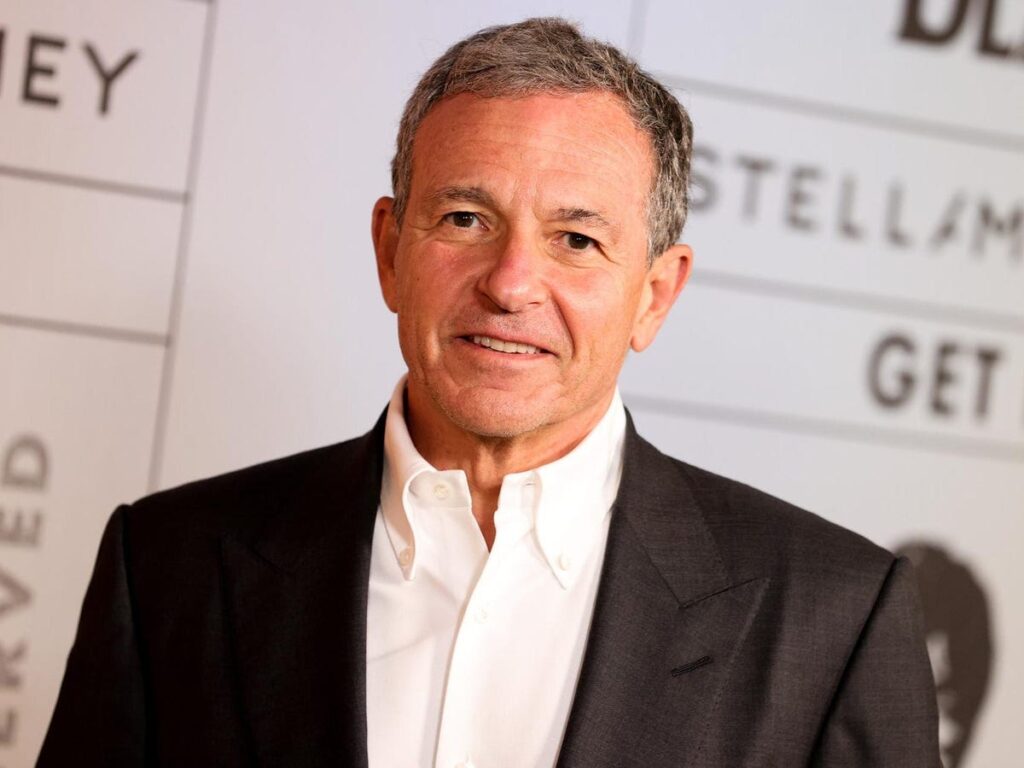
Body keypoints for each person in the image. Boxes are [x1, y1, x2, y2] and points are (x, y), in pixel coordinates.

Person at [38, 17, 939, 768]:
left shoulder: (832, 620)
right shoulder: (167, 568)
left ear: (655, 295)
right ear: (390, 250)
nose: (510, 283)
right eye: (465, 219)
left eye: (576, 240)